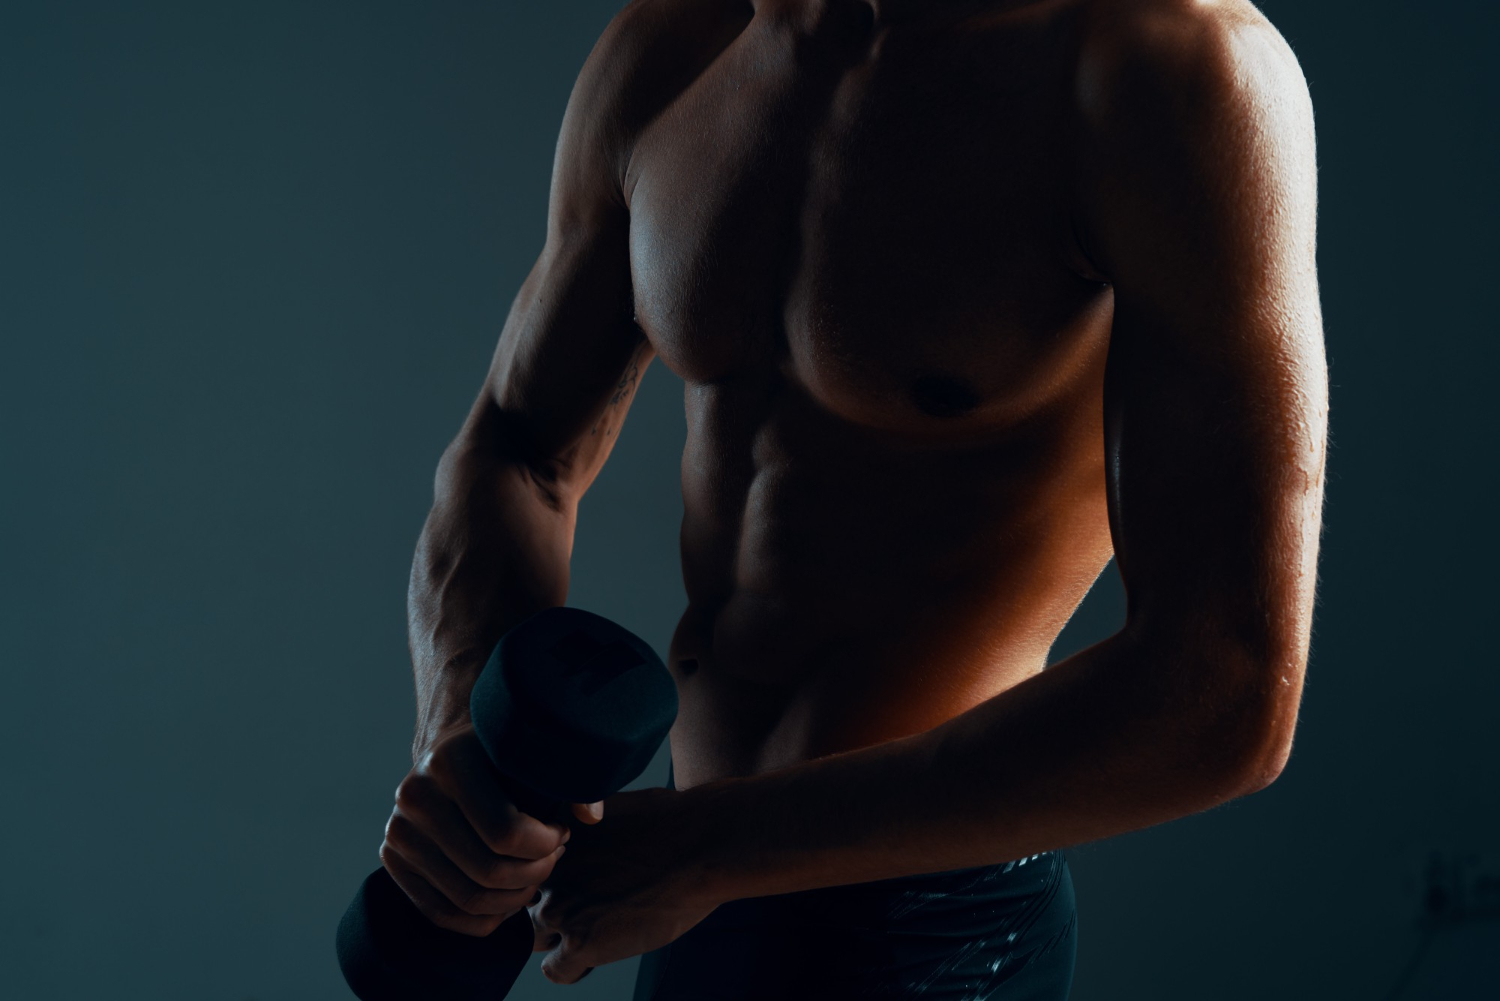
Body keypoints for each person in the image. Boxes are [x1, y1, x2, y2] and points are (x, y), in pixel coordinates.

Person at [375, 0, 1326, 996]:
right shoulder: (679, 48)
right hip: (680, 881)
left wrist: (715, 848)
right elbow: (517, 450)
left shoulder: (1169, 72)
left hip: (931, 931)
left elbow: (1226, 688)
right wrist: (466, 743)